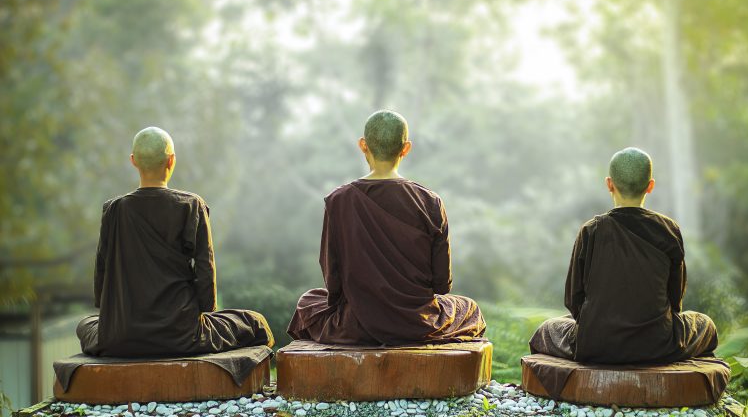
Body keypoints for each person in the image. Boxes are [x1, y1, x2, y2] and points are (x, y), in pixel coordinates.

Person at [287, 110, 486, 345]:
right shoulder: (430, 201)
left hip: (357, 324)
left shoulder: (338, 200)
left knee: (308, 302)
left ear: (363, 145)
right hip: (418, 323)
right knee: (469, 309)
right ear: (406, 148)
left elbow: (333, 280)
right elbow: (442, 284)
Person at [77, 127, 274, 357]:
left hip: (119, 336)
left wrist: (112, 315)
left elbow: (102, 269)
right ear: (171, 160)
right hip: (180, 334)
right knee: (254, 322)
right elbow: (205, 268)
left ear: (133, 161)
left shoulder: (113, 210)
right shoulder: (190, 205)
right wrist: (204, 312)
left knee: (86, 325)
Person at [529, 147, 718, 364]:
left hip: (596, 343)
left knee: (548, 329)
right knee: (705, 325)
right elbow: (675, 297)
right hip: (658, 344)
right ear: (650, 186)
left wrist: (599, 326)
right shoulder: (669, 229)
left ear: (609, 183)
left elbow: (573, 299)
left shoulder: (591, 230)